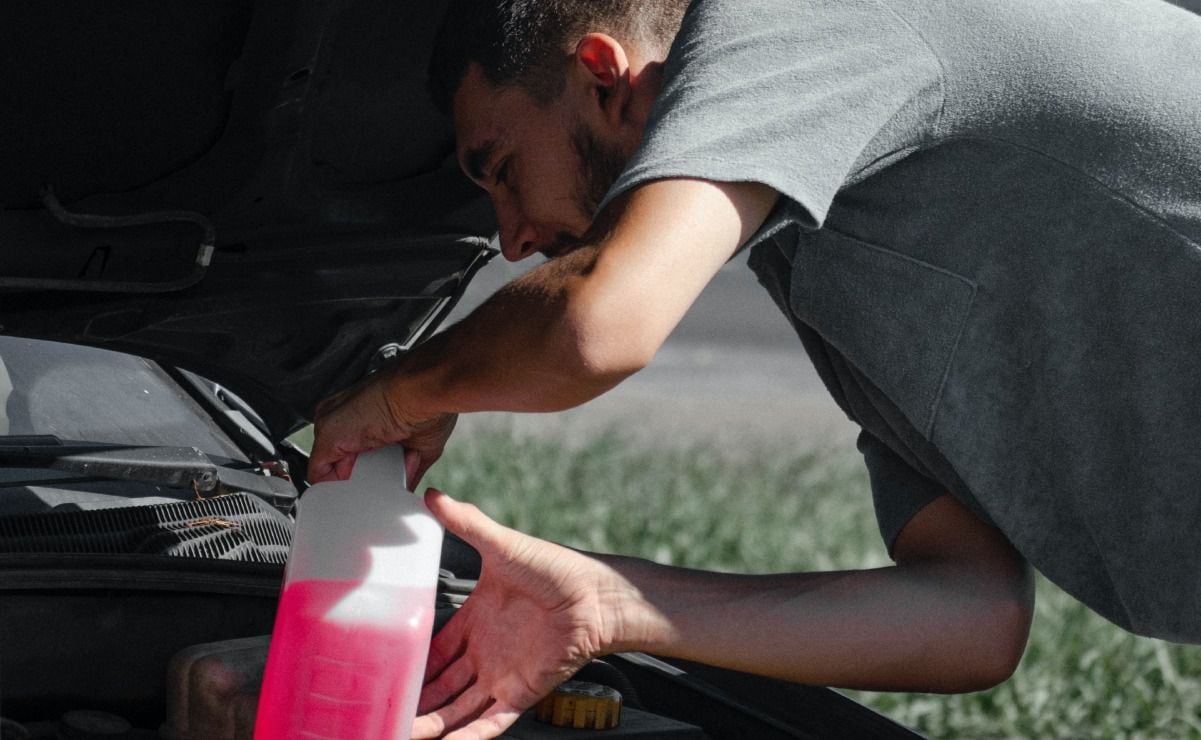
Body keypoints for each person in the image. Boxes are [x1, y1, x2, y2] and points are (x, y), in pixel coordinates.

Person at [308, 0, 1201, 736]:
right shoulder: (824, 258)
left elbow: (596, 325)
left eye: (502, 170)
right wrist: (608, 604)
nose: (511, 239)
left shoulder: (790, 13)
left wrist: (399, 392)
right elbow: (969, 617)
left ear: (600, 75)